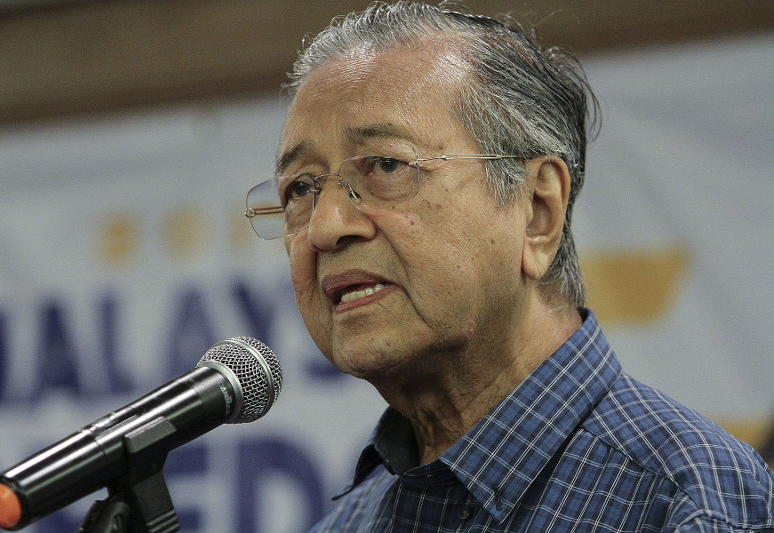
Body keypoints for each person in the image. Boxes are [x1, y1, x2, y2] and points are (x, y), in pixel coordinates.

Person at [244, 2, 774, 531]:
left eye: (386, 165)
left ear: (538, 210)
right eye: (301, 189)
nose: (325, 226)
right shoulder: (345, 525)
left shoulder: (689, 504)